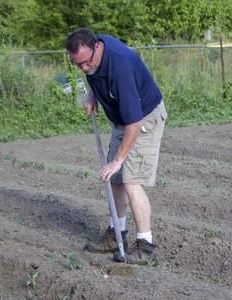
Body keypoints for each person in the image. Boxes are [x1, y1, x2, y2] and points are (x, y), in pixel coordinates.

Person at [64, 28, 166, 265]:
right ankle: (116, 236)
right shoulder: (92, 54)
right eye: (76, 65)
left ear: (96, 48)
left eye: (85, 63)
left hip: (144, 120)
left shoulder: (120, 67)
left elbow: (136, 121)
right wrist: (93, 94)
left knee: (131, 181)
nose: (83, 69)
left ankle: (146, 246)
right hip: (123, 119)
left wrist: (118, 159)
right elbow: (94, 72)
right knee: (116, 179)